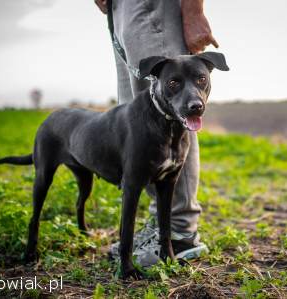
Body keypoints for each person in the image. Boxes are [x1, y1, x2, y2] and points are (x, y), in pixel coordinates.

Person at [95, 0, 219, 267]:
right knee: (139, 113)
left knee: (177, 112)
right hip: (121, 12)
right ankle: (162, 225)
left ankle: (179, 230)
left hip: (154, 7)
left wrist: (194, 11)